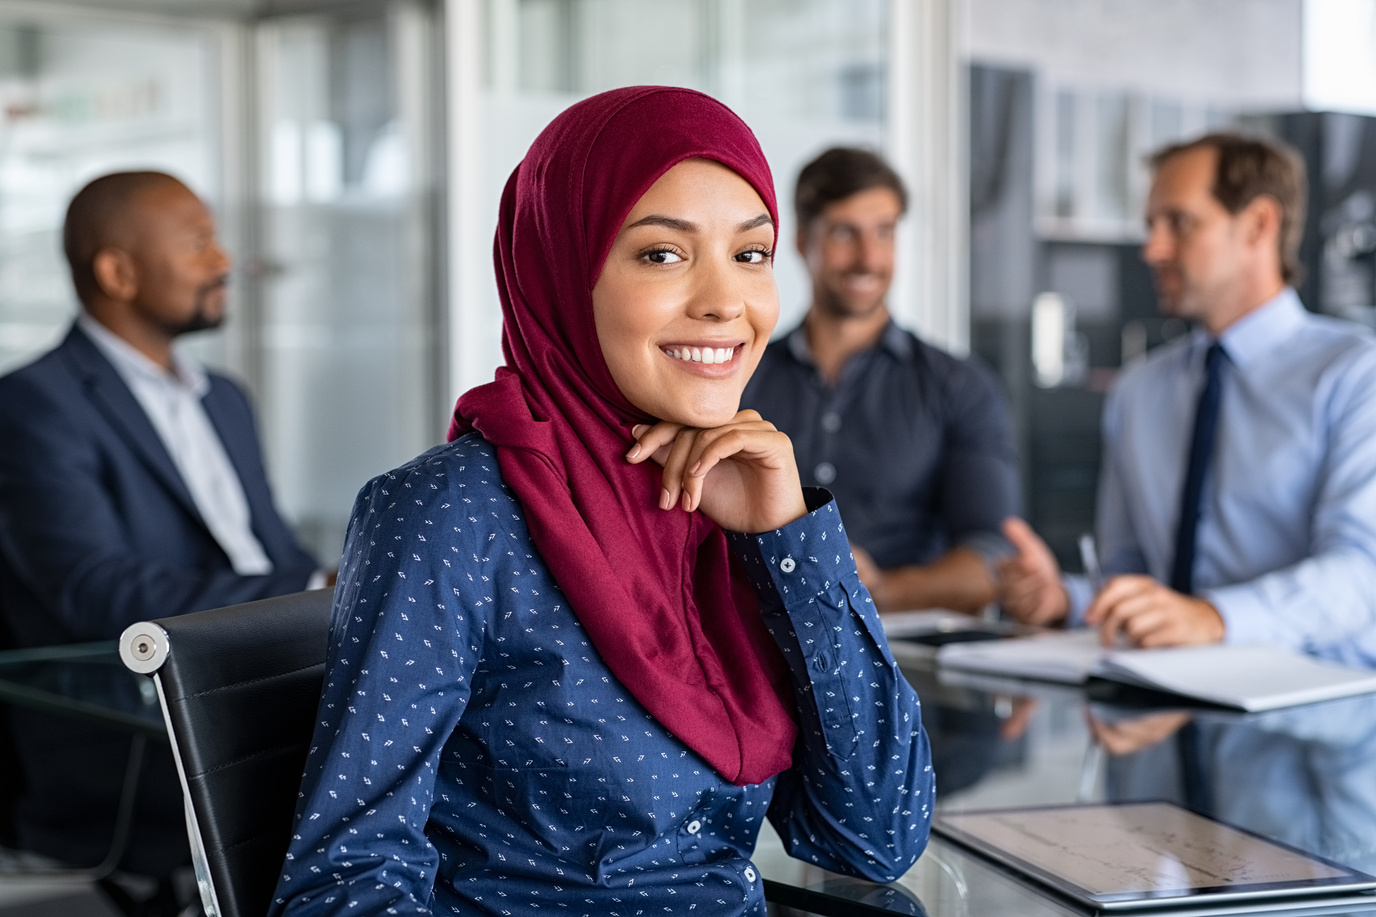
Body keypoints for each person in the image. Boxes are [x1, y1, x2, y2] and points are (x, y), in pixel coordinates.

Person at [269, 87, 933, 916]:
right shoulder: (451, 514)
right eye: (663, 254)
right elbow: (344, 887)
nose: (725, 302)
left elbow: (872, 837)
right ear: (562, 268)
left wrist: (792, 539)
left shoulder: (733, 501)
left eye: (751, 254)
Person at [0, 171, 322, 898]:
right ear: (118, 272)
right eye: (199, 242)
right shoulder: (31, 405)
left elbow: (271, 549)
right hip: (136, 736)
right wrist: (307, 590)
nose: (223, 261)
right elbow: (95, 590)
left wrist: (322, 590)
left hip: (258, 689)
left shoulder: (226, 398)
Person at [999, 132, 1376, 668]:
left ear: (1258, 225)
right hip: (1168, 701)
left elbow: (1362, 575)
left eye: (1179, 222)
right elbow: (1137, 578)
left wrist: (1214, 619)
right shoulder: (1140, 391)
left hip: (1322, 714)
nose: (1152, 249)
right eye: (1151, 226)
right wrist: (1067, 598)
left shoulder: (1355, 375)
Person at [742, 147, 1018, 614]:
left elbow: (995, 558)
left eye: (885, 232)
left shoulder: (959, 387)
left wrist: (881, 588)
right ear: (802, 240)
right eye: (845, 232)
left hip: (905, 661)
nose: (869, 258)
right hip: (757, 650)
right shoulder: (744, 377)